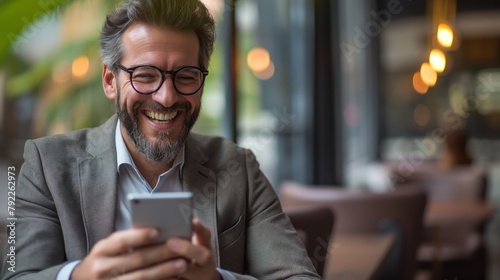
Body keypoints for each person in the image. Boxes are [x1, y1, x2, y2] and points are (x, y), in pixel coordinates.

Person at [0, 0, 320, 279]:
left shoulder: (239, 168)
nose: (166, 98)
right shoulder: (46, 165)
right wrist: (79, 276)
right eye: (145, 76)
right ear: (111, 81)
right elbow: (16, 273)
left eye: (186, 77)